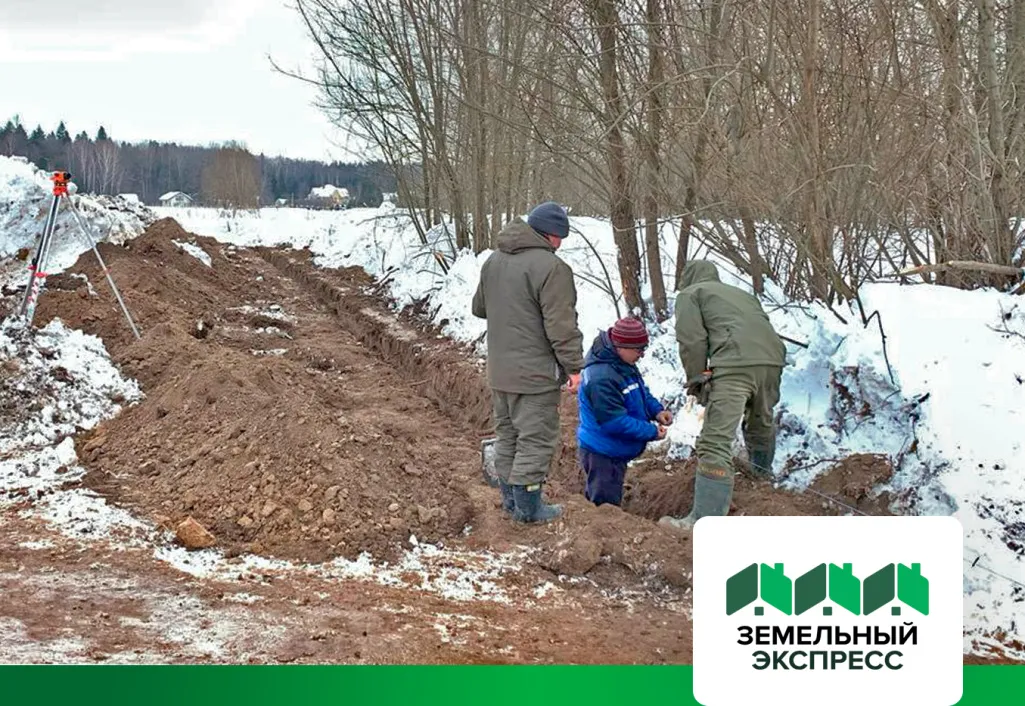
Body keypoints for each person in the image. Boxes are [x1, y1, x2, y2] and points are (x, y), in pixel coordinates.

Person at [471, 201, 585, 524]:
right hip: (534, 376)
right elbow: (561, 326)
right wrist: (574, 368)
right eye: (560, 237)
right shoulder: (552, 269)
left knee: (507, 436)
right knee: (535, 440)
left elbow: (480, 307)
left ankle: (510, 502)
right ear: (552, 235)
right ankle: (530, 510)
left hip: (499, 372)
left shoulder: (493, 261)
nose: (561, 244)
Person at [659, 260, 787, 531]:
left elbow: (691, 340)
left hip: (734, 364)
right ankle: (762, 481)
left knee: (714, 441)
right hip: (773, 361)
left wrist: (695, 379)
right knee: (760, 422)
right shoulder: (742, 295)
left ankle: (704, 522)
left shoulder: (691, 295)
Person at [576, 317, 673, 507]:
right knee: (604, 508)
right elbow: (614, 422)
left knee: (610, 500)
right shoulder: (601, 378)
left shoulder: (621, 363)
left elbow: (639, 391)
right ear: (621, 346)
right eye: (639, 350)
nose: (642, 354)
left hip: (614, 450)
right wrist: (651, 431)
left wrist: (657, 411)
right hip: (602, 453)